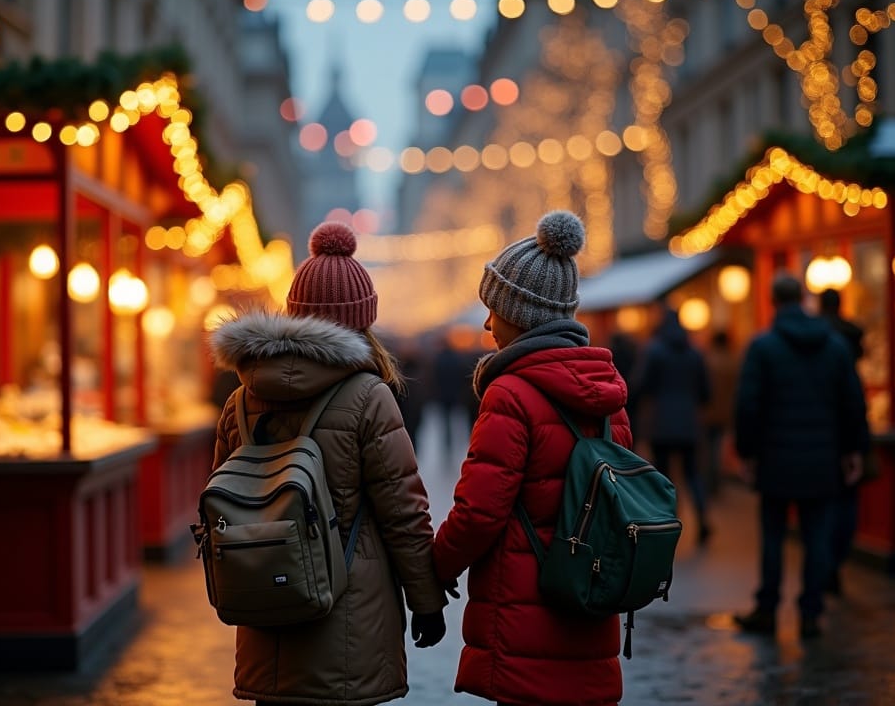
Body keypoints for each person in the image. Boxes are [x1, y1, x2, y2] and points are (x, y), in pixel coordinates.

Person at [207, 221, 448, 705]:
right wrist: (426, 601)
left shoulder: (241, 398)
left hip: (265, 607)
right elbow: (403, 512)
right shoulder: (369, 396)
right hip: (347, 617)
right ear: (363, 319)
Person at [432, 211, 631, 706]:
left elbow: (480, 510)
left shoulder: (512, 393)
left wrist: (435, 568)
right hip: (588, 597)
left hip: (527, 608)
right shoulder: (609, 396)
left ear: (519, 314)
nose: (486, 322)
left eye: (493, 309)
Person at [733, 273, 866, 640]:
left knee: (773, 535)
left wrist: (746, 453)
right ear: (803, 299)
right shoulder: (835, 346)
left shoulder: (763, 347)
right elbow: (853, 402)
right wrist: (854, 449)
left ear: (773, 300)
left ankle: (768, 608)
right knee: (817, 536)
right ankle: (811, 612)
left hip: (776, 458)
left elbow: (748, 405)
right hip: (823, 458)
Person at [628, 304, 713, 544]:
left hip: (660, 422)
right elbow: (705, 391)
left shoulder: (654, 350)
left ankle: (668, 523)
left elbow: (640, 385)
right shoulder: (694, 353)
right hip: (688, 422)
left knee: (663, 477)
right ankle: (702, 519)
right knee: (693, 473)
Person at [818, 287, 871, 595]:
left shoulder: (822, 340)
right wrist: (858, 445)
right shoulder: (850, 338)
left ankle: (826, 567)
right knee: (846, 502)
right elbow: (853, 400)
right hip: (843, 433)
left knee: (821, 510)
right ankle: (835, 561)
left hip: (818, 436)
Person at [702, 330, 739, 496]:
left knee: (707, 449)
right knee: (718, 447)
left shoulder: (707, 361)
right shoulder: (734, 362)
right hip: (725, 412)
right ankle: (716, 482)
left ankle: (709, 482)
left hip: (707, 412)